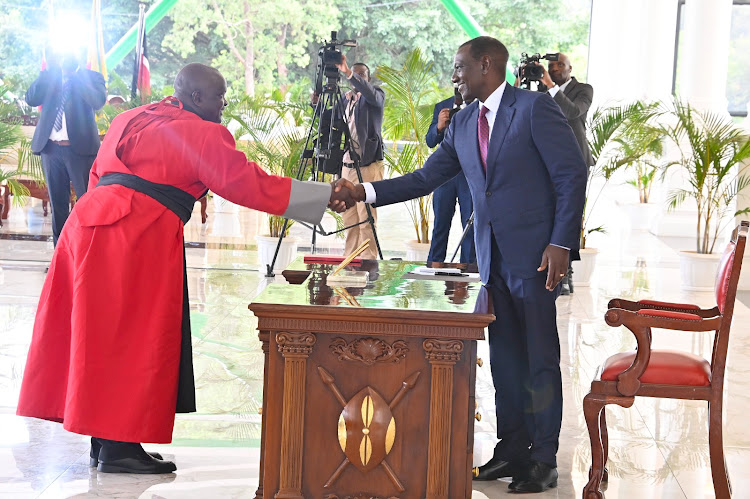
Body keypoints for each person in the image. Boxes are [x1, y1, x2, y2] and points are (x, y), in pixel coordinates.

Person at [16, 63, 354, 474]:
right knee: (132, 337)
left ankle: (104, 440)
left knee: (98, 334)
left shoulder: (130, 117)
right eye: (219, 96)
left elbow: (97, 172)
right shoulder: (202, 132)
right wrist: (322, 196)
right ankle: (119, 448)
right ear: (196, 97)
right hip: (133, 235)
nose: (224, 104)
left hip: (86, 225)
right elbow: (248, 183)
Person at [336, 36, 586, 493]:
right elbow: (427, 177)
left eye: (460, 67)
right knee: (506, 357)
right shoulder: (464, 121)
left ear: (485, 65)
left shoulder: (532, 109)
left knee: (539, 358)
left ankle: (544, 457)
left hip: (535, 257)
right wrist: (364, 192)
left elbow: (572, 174)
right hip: (490, 257)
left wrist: (560, 243)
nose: (455, 76)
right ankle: (511, 449)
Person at [25, 50, 107, 245]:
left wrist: (77, 75)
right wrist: (49, 71)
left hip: (80, 151)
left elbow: (97, 101)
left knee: (87, 204)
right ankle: (60, 258)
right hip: (51, 150)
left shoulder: (92, 77)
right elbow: (31, 99)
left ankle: (88, 254)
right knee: (58, 207)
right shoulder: (50, 76)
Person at [538, 52, 594, 294]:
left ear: (570, 68)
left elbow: (573, 112)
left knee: (569, 215)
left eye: (560, 65)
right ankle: (547, 268)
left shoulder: (584, 89)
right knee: (548, 214)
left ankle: (566, 271)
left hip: (575, 163)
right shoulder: (541, 91)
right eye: (551, 66)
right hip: (546, 162)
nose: (555, 68)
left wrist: (550, 87)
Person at [333, 57, 385, 260]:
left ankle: (369, 262)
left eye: (361, 74)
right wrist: (316, 103)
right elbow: (331, 119)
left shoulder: (376, 96)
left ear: (368, 78)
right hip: (347, 166)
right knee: (350, 218)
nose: (357, 77)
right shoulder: (346, 99)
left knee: (366, 217)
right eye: (355, 74)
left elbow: (371, 94)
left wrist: (348, 73)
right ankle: (350, 260)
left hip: (368, 166)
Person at [425, 89, 476, 264]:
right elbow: (430, 141)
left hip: (468, 176)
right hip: (444, 176)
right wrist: (439, 126)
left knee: (469, 227)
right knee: (440, 224)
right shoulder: (442, 106)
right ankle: (433, 265)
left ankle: (468, 268)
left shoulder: (478, 106)